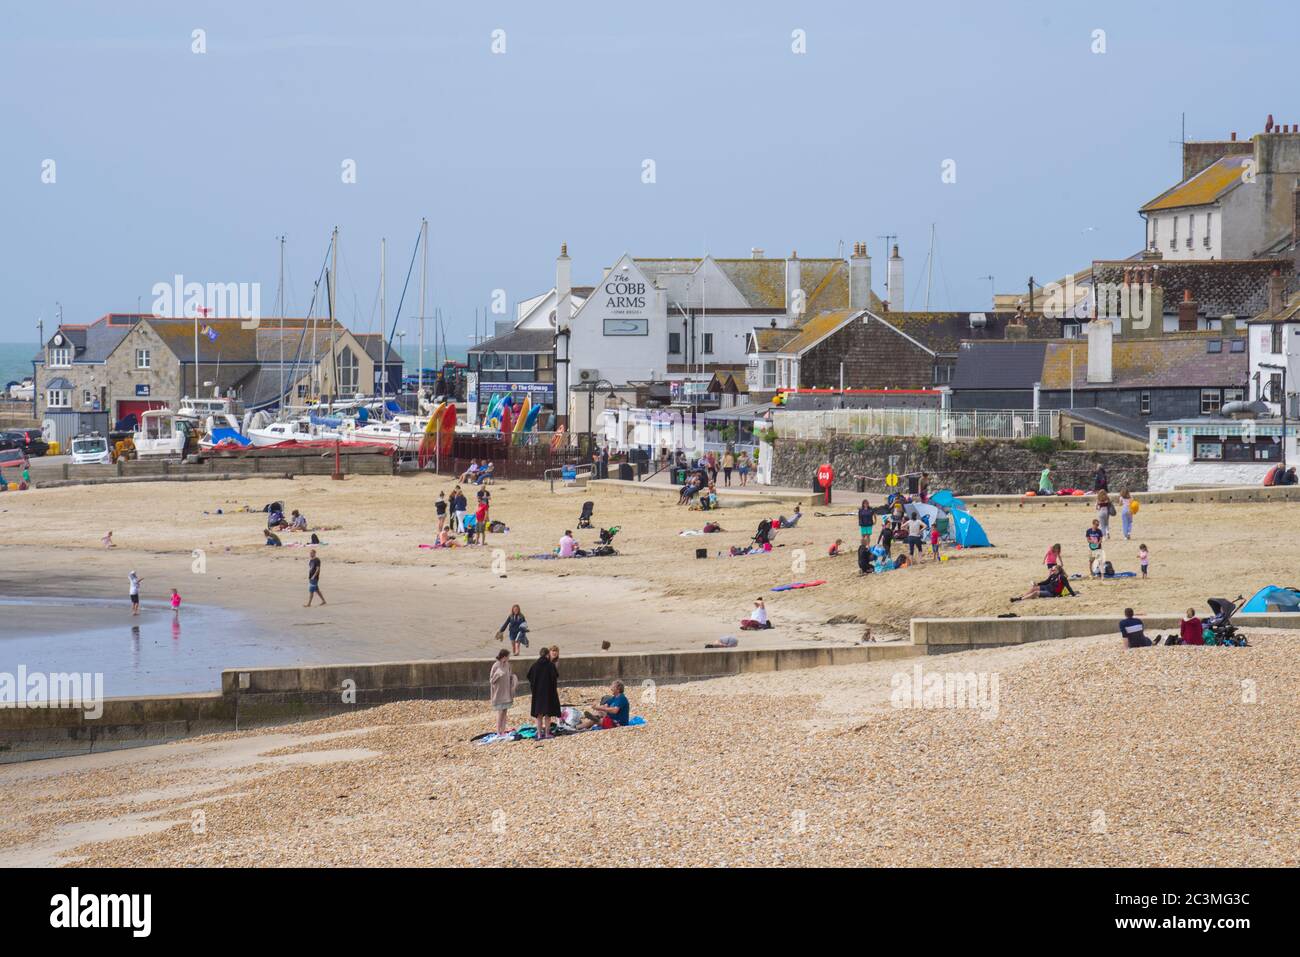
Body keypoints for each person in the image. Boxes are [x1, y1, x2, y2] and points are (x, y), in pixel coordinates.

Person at [526, 646, 561, 740]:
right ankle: (547, 733)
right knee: (547, 715)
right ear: (547, 654)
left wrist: (534, 687)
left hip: (537, 694)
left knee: (539, 715)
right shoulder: (550, 665)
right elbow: (555, 677)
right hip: (548, 693)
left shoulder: (534, 665)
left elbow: (529, 677)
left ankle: (538, 734)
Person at [489, 649, 518, 736]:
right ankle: (498, 731)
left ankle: (503, 731)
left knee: (505, 712)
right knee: (500, 712)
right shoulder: (496, 665)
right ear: (504, 656)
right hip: (498, 693)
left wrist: (514, 679)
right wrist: (498, 674)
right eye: (508, 656)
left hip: (507, 692)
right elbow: (491, 680)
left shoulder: (508, 665)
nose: (509, 658)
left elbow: (510, 675)